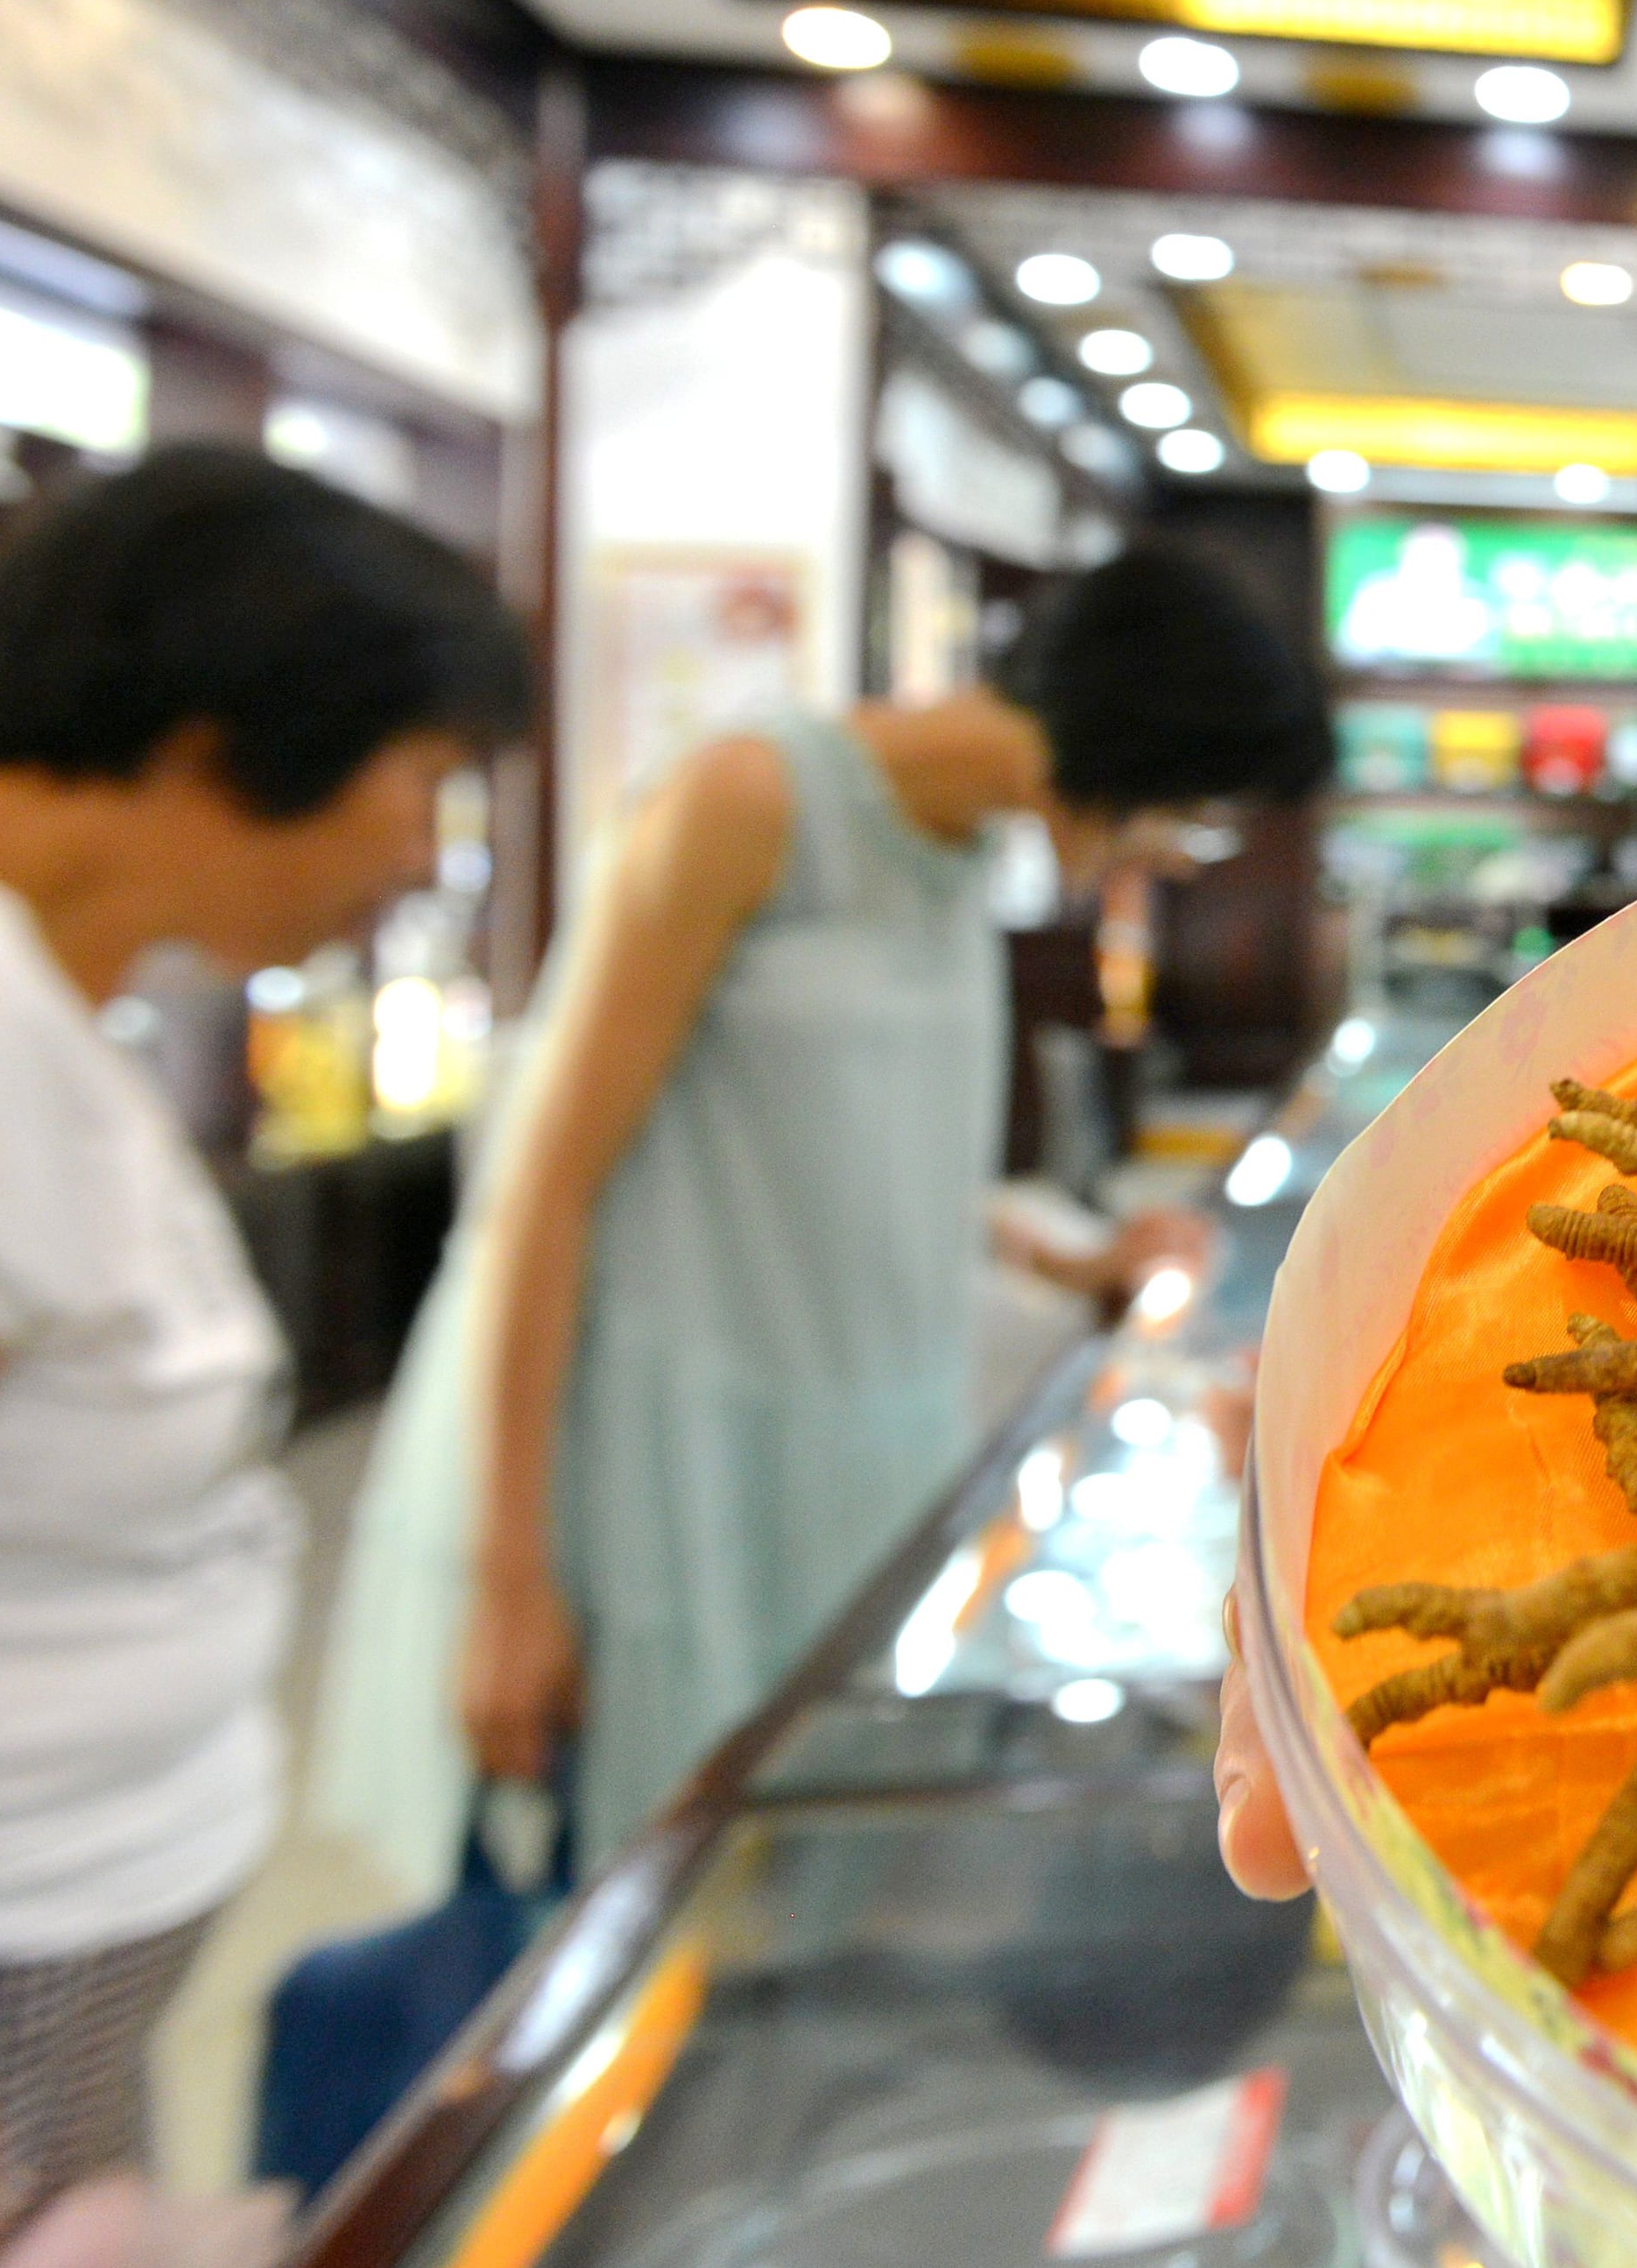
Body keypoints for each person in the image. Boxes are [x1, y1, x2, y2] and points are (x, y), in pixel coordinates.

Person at [320, 540, 1332, 1879]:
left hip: (853, 1424)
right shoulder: (748, 801)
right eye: (1191, 810)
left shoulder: (961, 847)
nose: (1175, 849)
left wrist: (1071, 1253)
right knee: (636, 1848)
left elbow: (837, 1144)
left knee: (783, 1828)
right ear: (1139, 746)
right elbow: (543, 1185)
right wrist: (511, 1575)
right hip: (669, 1439)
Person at [0, 450, 530, 2254]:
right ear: (232, 740)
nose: (417, 855)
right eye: (422, 785)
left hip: (83, 1920)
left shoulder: (66, 1007)